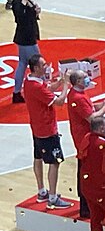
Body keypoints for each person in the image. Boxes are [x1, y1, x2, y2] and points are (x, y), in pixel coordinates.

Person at [23, 55, 71, 209]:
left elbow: (47, 89)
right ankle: (52, 197)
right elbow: (59, 101)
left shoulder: (30, 81)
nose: (47, 67)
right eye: (44, 65)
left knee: (38, 157)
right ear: (37, 68)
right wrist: (66, 86)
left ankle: (41, 191)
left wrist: (60, 81)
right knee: (54, 162)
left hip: (37, 128)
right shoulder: (36, 87)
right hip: (47, 129)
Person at [66, 70, 105, 218]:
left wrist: (98, 106)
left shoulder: (77, 94)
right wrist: (104, 108)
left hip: (83, 138)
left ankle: (88, 205)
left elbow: (89, 108)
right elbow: (91, 118)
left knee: (86, 172)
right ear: (77, 81)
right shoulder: (78, 97)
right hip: (84, 140)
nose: (87, 78)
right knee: (87, 173)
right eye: (84, 77)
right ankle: (86, 207)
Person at [10, 0, 40, 104]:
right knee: (38, 62)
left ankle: (16, 93)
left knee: (22, 64)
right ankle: (40, 89)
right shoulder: (17, 1)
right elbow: (20, 17)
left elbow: (29, 15)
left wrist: (37, 12)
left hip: (28, 35)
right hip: (25, 37)